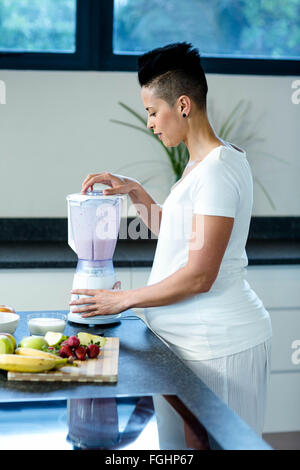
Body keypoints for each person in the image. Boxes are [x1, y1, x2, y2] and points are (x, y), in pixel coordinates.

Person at [69, 42, 272, 443]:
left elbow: (200, 275)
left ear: (182, 104)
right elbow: (182, 235)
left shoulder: (216, 169)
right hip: (187, 346)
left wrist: (122, 301)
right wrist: (137, 193)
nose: (150, 123)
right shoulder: (204, 165)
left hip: (218, 346)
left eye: (152, 111)